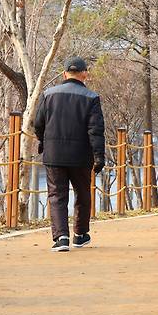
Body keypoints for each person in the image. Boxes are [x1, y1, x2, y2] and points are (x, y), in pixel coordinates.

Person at [34, 56, 105, 252]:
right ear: (84, 74)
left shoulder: (49, 94)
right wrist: (99, 156)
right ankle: (80, 235)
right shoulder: (92, 97)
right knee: (82, 193)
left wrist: (44, 141)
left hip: (53, 154)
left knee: (57, 195)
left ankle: (61, 238)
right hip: (81, 156)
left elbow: (38, 123)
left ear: (65, 74)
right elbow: (95, 130)